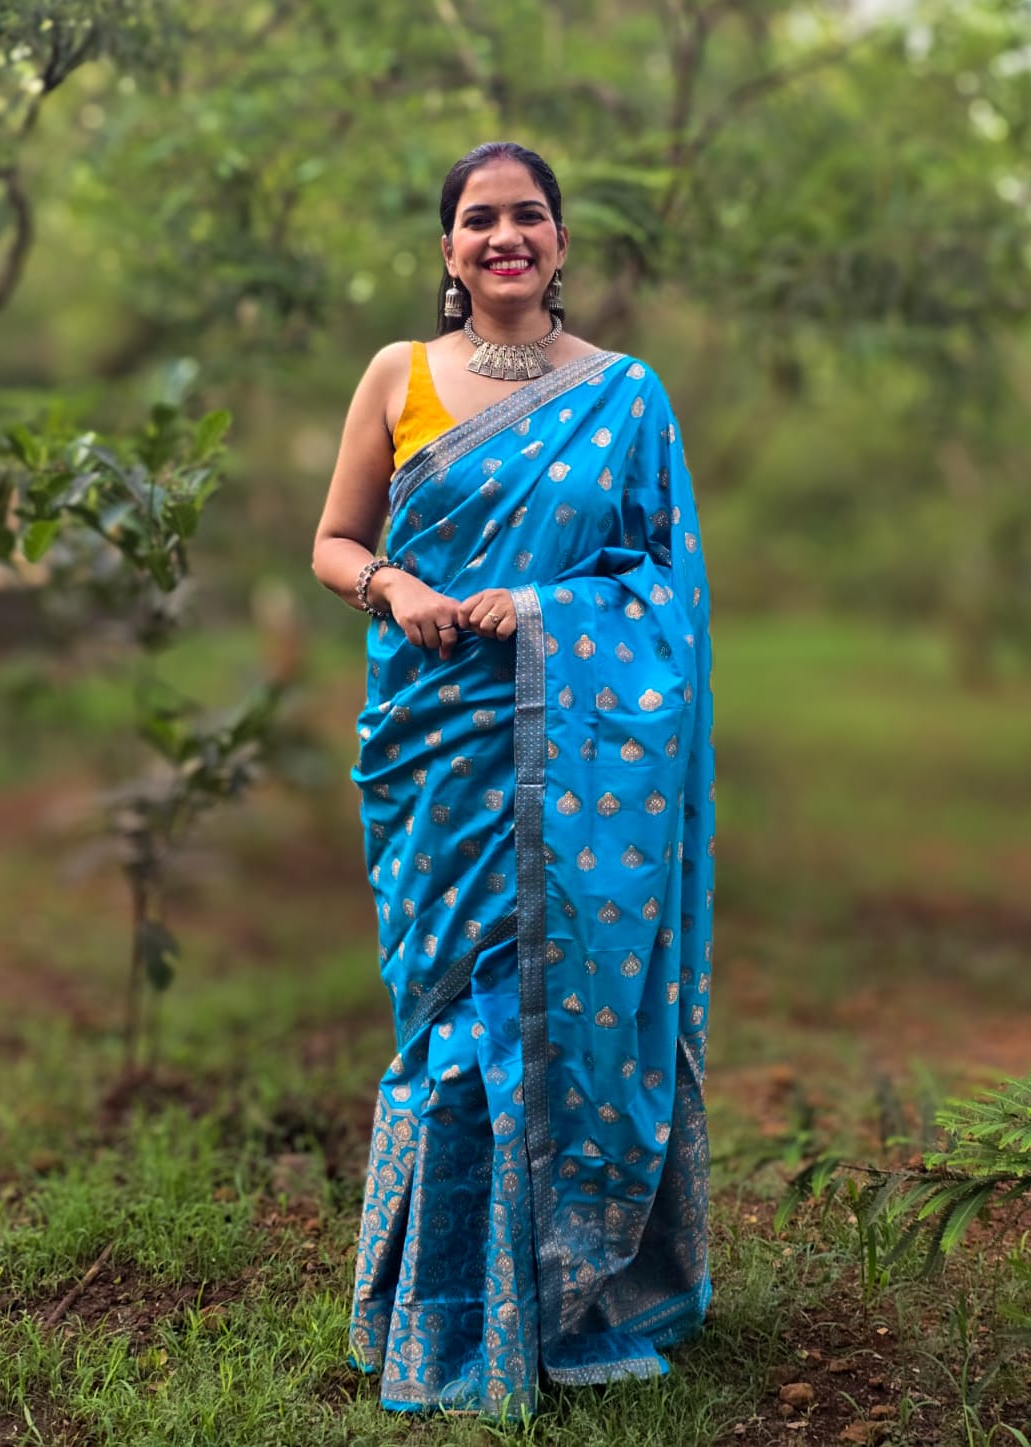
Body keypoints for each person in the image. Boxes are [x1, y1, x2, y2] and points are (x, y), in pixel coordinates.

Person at [312, 141, 715, 1418]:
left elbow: (667, 595)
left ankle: (568, 1299)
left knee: (550, 1005)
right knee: (445, 1023)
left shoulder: (626, 396)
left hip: (580, 763)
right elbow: (332, 541)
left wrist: (541, 610)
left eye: (526, 216)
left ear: (559, 240)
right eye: (478, 219)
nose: (504, 236)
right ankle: (438, 1316)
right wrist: (399, 583)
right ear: (447, 251)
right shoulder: (398, 375)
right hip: (436, 744)